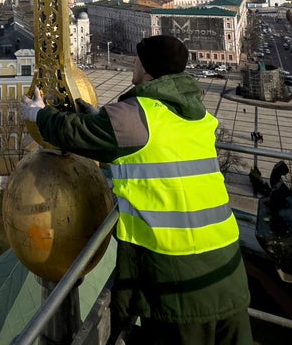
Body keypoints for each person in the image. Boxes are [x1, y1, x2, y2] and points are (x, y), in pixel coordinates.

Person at [21, 35, 251, 345]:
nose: (132, 62)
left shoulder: (137, 113)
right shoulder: (196, 114)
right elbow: (147, 147)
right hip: (227, 267)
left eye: (137, 58)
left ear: (147, 67)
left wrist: (38, 115)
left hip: (177, 276)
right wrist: (96, 117)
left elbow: (74, 134)